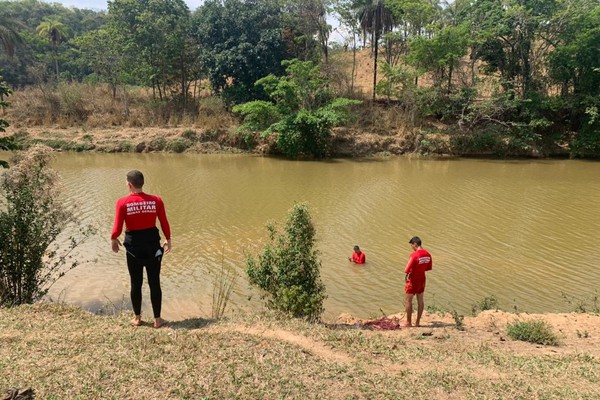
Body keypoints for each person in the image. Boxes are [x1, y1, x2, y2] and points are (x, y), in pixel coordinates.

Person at [111, 170, 171, 328]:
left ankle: (137, 318)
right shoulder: (156, 200)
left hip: (133, 249)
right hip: (152, 246)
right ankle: (157, 320)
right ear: (142, 183)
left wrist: (113, 238)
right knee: (154, 282)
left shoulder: (122, 202)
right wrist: (168, 239)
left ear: (129, 185)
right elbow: (164, 222)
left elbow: (117, 228)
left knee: (136, 283)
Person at [403, 236, 432, 327]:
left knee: (408, 300)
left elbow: (407, 269)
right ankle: (418, 322)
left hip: (413, 280)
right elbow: (428, 268)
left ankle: (408, 322)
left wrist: (406, 276)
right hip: (422, 279)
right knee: (420, 300)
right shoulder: (428, 254)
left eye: (412, 245)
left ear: (415, 244)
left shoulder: (414, 255)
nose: (412, 247)